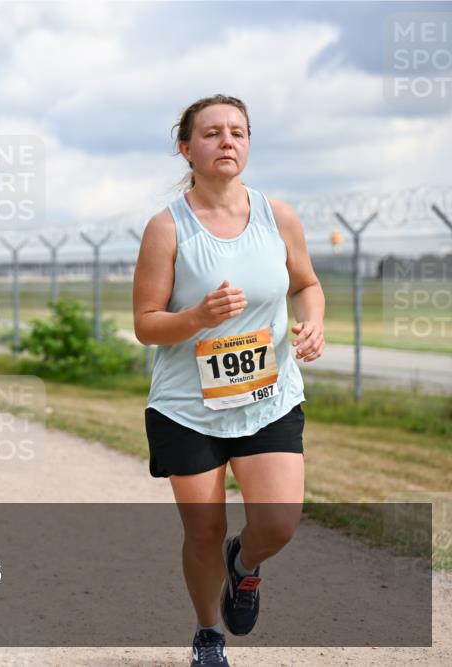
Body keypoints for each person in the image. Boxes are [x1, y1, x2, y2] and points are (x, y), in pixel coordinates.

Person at [132, 95, 325, 667]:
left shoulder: (278, 216)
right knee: (203, 530)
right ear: (186, 147)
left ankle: (244, 567)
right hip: (187, 406)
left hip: (269, 397)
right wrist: (198, 318)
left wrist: (312, 325)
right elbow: (146, 326)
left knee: (279, 522)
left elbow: (307, 284)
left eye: (237, 132)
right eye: (212, 133)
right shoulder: (167, 229)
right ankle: (208, 632)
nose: (227, 141)